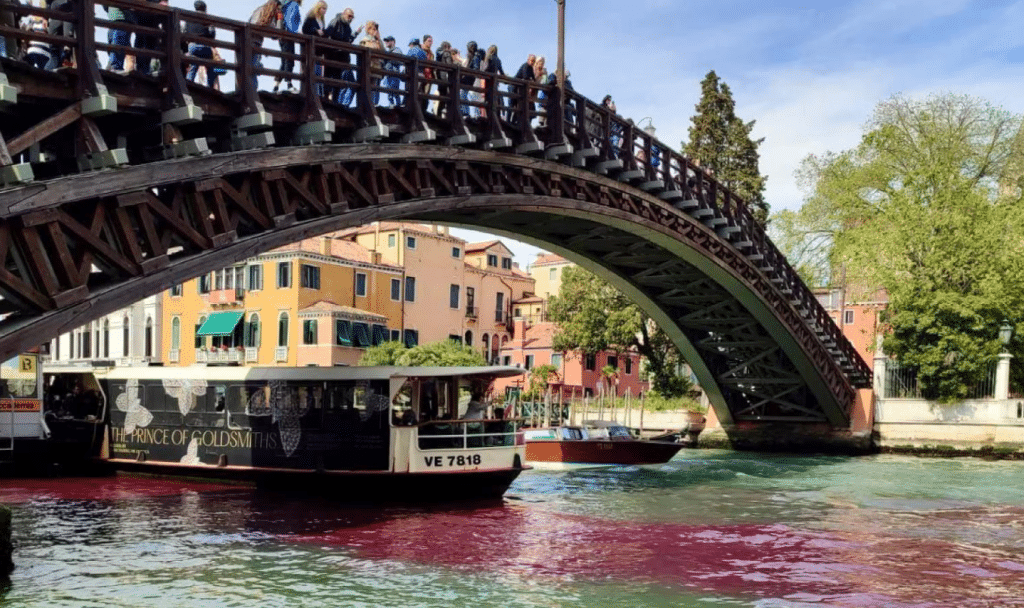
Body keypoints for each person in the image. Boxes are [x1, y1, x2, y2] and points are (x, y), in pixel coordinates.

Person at [324, 7, 361, 105]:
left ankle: (336, 103)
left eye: (352, 17)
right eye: (349, 16)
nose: (350, 18)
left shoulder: (348, 28)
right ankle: (327, 101)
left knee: (338, 81)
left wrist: (356, 33)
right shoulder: (336, 21)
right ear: (344, 13)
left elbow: (348, 41)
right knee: (329, 79)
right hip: (332, 55)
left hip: (342, 58)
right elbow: (327, 34)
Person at [185, 1, 216, 86]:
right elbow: (212, 34)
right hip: (204, 47)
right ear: (205, 8)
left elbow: (185, 32)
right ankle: (210, 87)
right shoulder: (207, 18)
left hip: (192, 47)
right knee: (210, 66)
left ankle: (188, 84)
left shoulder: (188, 18)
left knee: (193, 65)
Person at [273, 0, 302, 93]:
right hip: (288, 35)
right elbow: (290, 21)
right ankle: (289, 84)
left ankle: (276, 86)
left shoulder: (284, 4)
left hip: (281, 35)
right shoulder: (293, 4)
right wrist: (293, 33)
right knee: (289, 60)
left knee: (284, 61)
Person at [301, 0, 327, 96]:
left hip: (319, 48)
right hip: (311, 47)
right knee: (313, 69)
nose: (325, 11)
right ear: (318, 8)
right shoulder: (310, 18)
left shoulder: (322, 20)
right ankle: (313, 92)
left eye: (325, 9)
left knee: (319, 70)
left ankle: (319, 93)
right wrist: (316, 30)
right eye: (323, 8)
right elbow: (305, 29)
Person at [358, 20, 383, 106]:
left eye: (376, 29)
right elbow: (369, 50)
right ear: (368, 30)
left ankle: (372, 105)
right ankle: (366, 105)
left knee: (374, 87)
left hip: (376, 68)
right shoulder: (365, 40)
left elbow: (383, 51)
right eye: (373, 29)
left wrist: (379, 39)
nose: (375, 31)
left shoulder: (377, 40)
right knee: (367, 87)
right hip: (369, 66)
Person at [105, 3, 134, 72]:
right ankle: (114, 66)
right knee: (114, 42)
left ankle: (115, 67)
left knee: (117, 41)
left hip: (121, 18)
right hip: (116, 18)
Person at [510, 54, 535, 124]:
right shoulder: (525, 66)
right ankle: (509, 121)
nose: (532, 63)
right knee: (512, 105)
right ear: (528, 60)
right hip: (514, 87)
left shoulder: (530, 68)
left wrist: (533, 81)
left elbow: (533, 78)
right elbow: (525, 76)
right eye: (532, 61)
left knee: (519, 105)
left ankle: (515, 121)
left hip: (519, 88)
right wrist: (531, 80)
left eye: (534, 61)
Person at [481, 44, 503, 119]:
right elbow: (501, 72)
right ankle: (495, 116)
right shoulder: (498, 60)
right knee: (494, 99)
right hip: (495, 82)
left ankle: (489, 116)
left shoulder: (489, 58)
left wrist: (482, 73)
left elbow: (487, 68)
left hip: (489, 80)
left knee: (488, 99)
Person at [381, 35, 403, 107]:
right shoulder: (388, 52)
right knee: (389, 91)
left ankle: (398, 105)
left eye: (388, 41)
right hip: (388, 74)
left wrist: (388, 59)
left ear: (393, 42)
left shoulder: (397, 50)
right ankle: (392, 104)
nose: (386, 42)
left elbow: (399, 61)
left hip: (394, 73)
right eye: (386, 41)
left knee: (395, 90)